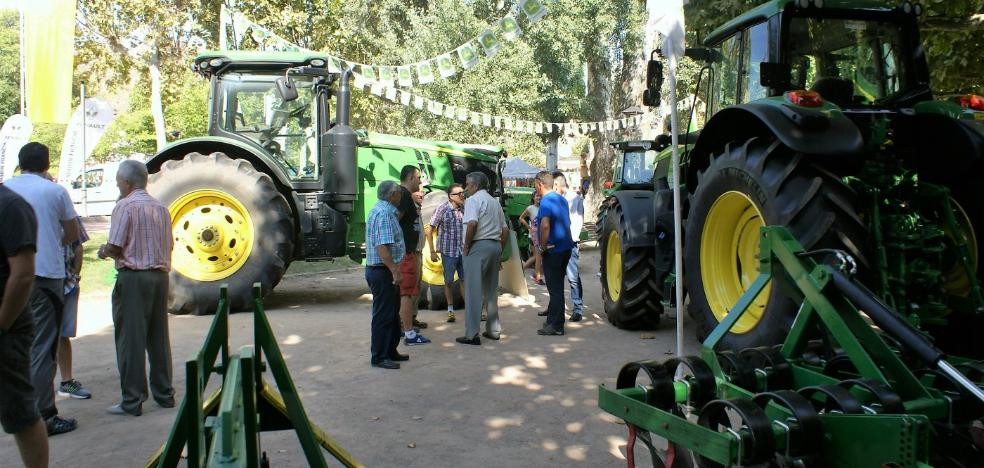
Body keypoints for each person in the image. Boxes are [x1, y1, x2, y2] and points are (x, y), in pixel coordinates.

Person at [4, 142, 80, 436]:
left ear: (20, 163)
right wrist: (46, 245)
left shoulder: (6, 189)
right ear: (47, 165)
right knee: (43, 348)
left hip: (8, 275)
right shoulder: (55, 191)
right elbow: (72, 234)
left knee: (13, 342)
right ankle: (43, 415)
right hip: (45, 275)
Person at [97, 160, 174, 416]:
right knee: (158, 338)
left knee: (131, 339)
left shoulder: (125, 206)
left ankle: (132, 400)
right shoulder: (160, 207)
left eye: (118, 180)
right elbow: (169, 245)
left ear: (127, 183)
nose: (117, 184)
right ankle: (164, 394)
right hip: (160, 277)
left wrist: (103, 252)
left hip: (133, 277)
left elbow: (116, 246)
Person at [0, 183, 50, 467]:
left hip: (7, 329)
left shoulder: (11, 207)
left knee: (19, 413)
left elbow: (22, 275)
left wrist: (1, 325)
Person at [457, 172, 508, 345]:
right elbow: (505, 230)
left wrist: (466, 245)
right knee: (491, 291)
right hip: (494, 246)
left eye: (467, 185)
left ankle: (472, 334)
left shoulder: (473, 200)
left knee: (473, 292)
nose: (465, 188)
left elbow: (472, 223)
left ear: (475, 186)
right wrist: (499, 250)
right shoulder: (495, 202)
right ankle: (493, 330)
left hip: (477, 247)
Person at [364, 181, 407, 370]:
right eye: (399, 192)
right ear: (392, 194)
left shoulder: (383, 210)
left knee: (391, 312)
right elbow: (382, 246)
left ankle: (390, 351)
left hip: (383, 270)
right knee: (383, 314)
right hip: (383, 271)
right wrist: (395, 270)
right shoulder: (384, 213)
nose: (401, 196)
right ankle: (380, 356)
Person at [534, 171, 575, 336]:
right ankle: (552, 318)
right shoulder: (562, 200)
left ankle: (556, 325)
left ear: (540, 184)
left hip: (553, 250)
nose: (534, 188)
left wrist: (542, 248)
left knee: (555, 288)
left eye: (534, 185)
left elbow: (544, 226)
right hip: (565, 248)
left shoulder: (545, 202)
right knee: (556, 285)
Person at [57, 217, 92, 399]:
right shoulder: (30, 208)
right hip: (39, 285)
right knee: (40, 338)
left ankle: (66, 382)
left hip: (67, 284)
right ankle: (37, 389)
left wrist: (76, 276)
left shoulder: (69, 214)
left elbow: (78, 246)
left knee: (64, 335)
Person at [396, 165, 430, 346]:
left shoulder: (407, 198)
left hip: (411, 252)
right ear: (409, 177)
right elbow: (395, 222)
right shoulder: (402, 197)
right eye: (418, 178)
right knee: (406, 294)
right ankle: (408, 332)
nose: (420, 181)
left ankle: (408, 325)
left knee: (410, 292)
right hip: (406, 253)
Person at [426, 183, 466, 323]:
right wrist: (432, 251)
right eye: (459, 193)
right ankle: (450, 310)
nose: (462, 195)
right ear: (450, 196)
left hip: (463, 250)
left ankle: (470, 310)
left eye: (463, 192)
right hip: (448, 251)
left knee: (464, 280)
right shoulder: (442, 209)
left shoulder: (464, 208)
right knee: (448, 281)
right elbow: (429, 230)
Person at [552, 172, 585, 322]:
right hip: (556, 242)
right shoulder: (555, 199)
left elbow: (578, 219)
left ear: (559, 184)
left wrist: (573, 239)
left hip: (570, 242)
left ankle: (578, 308)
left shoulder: (574, 198)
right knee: (554, 277)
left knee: (572, 276)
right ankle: (553, 307)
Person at [519, 192, 543, 285]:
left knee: (537, 257)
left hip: (543, 234)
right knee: (538, 256)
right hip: (534, 236)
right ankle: (537, 277)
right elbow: (521, 218)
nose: (538, 197)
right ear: (533, 198)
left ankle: (525, 269)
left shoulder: (543, 207)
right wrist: (528, 227)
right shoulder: (530, 208)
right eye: (536, 196)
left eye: (540, 196)